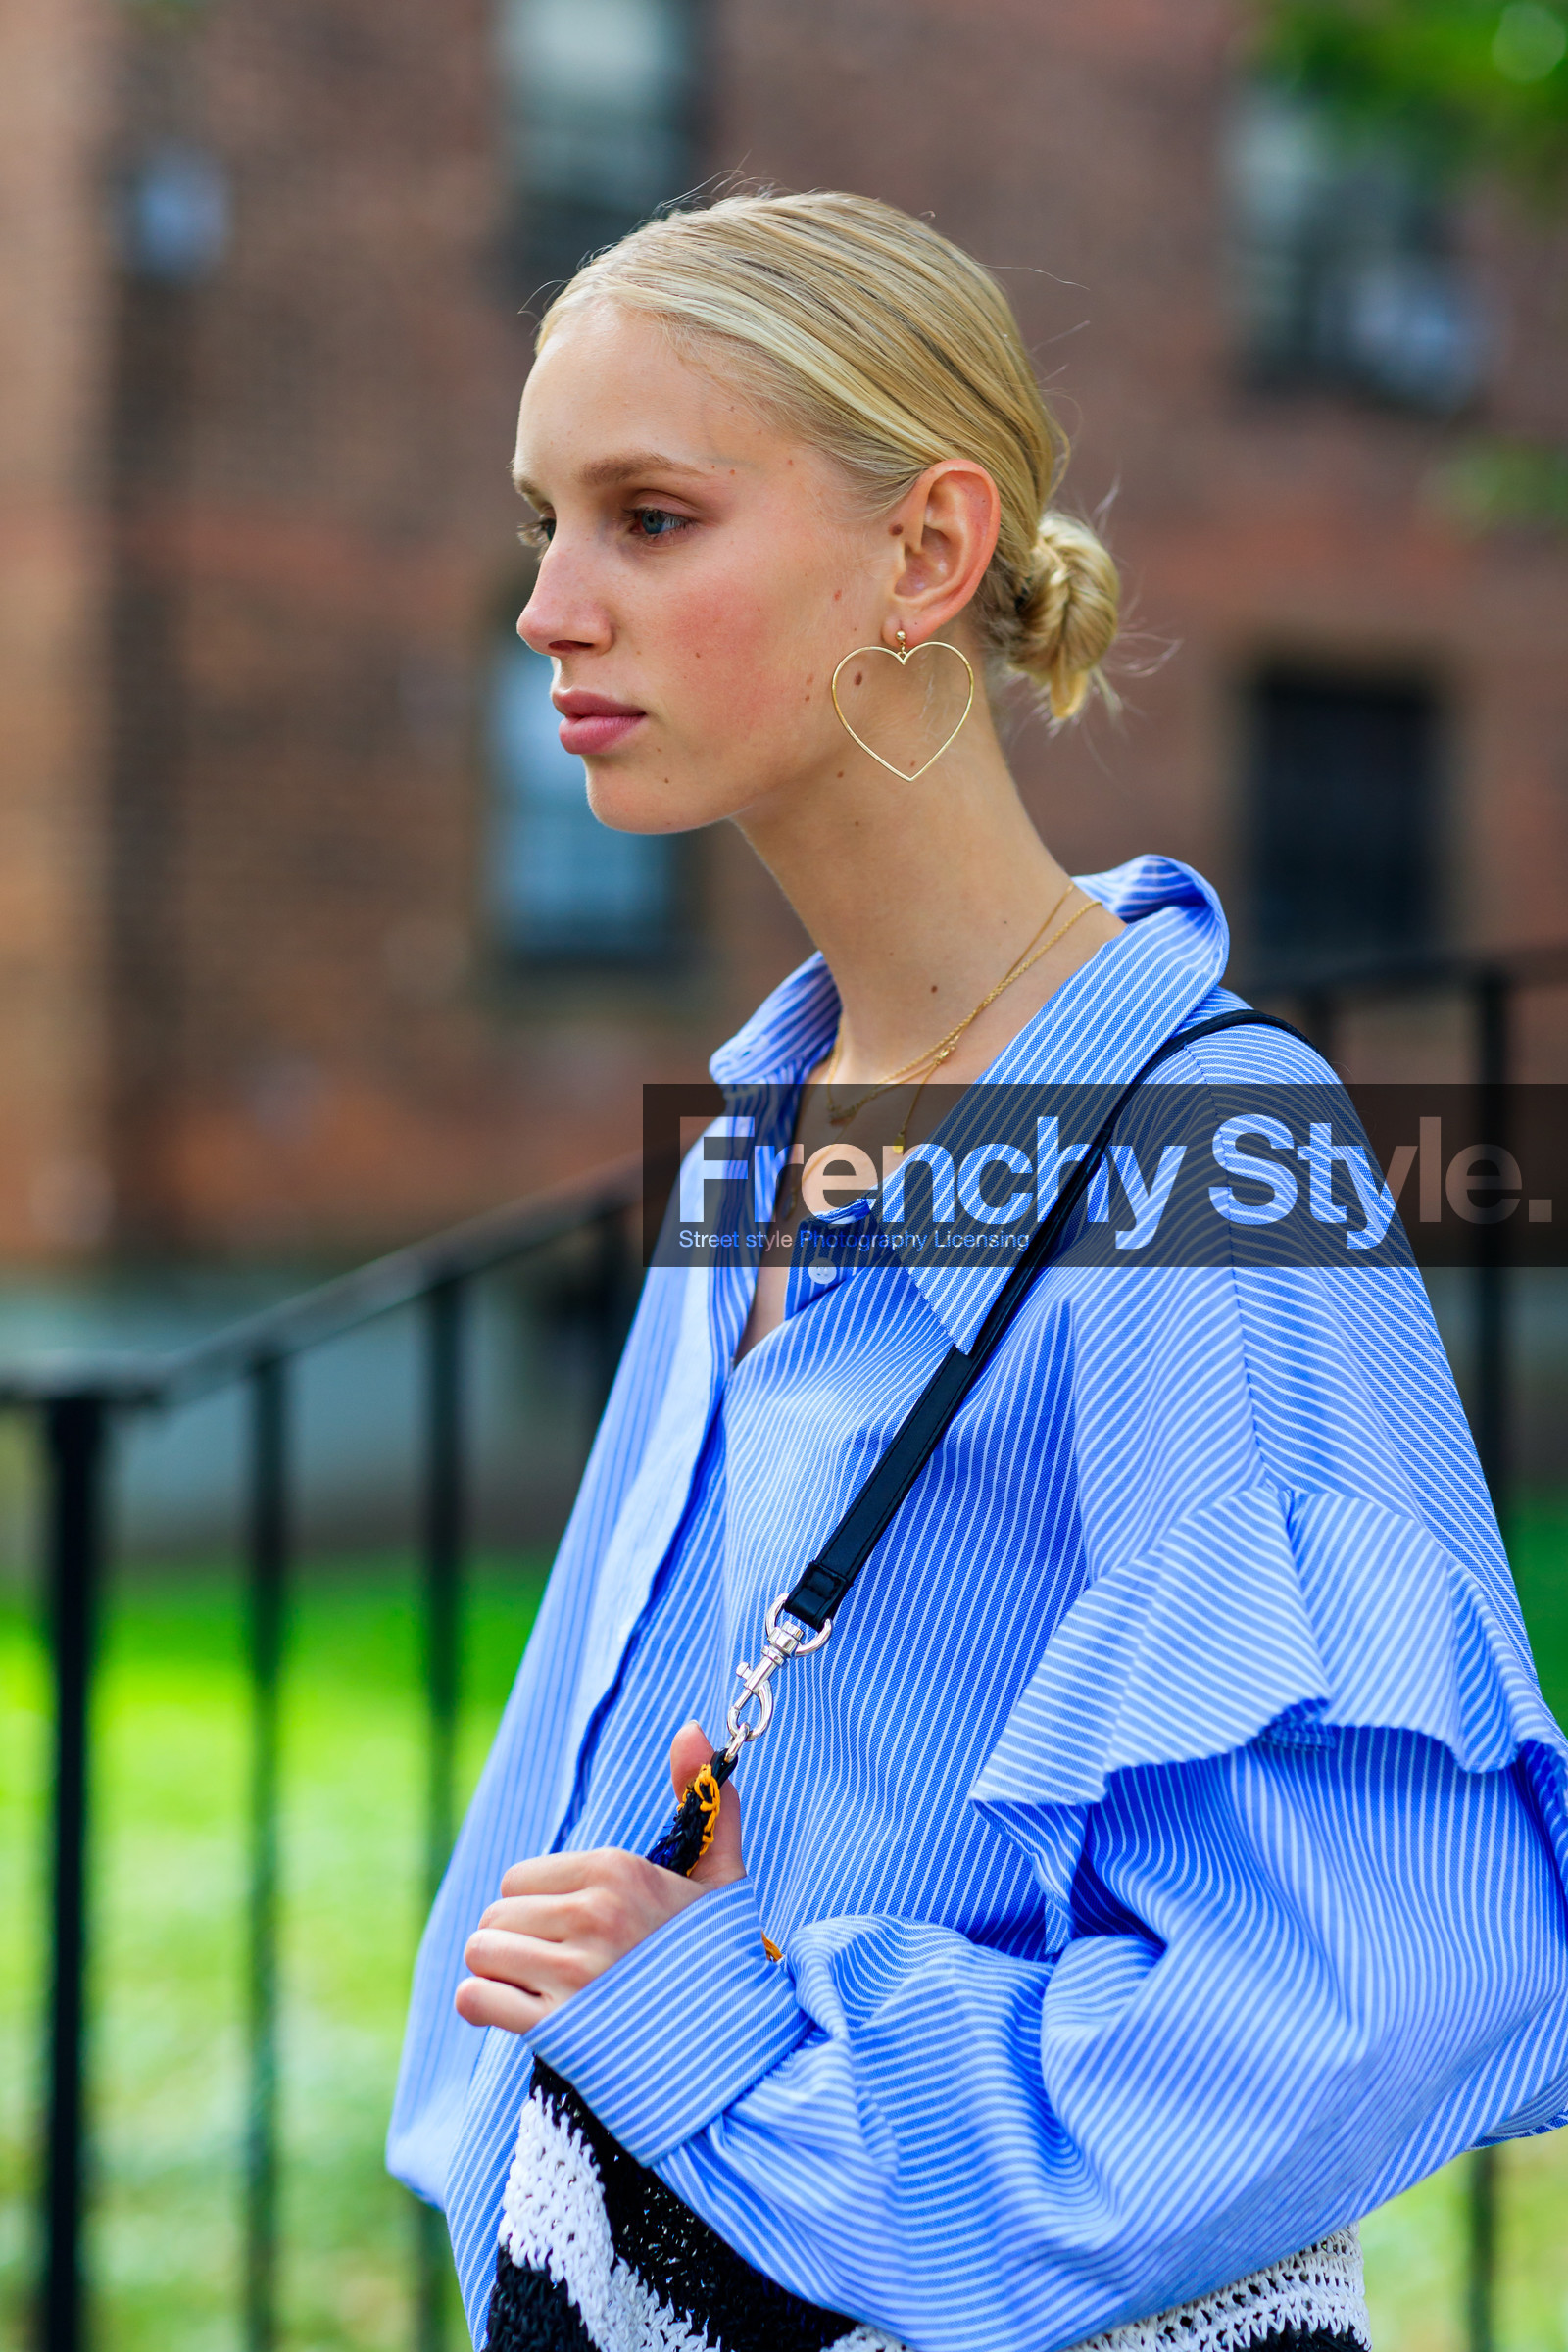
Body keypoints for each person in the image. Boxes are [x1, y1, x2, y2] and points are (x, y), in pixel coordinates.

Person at [388, 192, 1568, 2352]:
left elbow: (1355, 1987)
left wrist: (731, 2043)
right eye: (546, 520)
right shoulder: (769, 1117)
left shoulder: (1198, 1148)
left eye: (647, 519)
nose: (548, 607)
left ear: (925, 557)